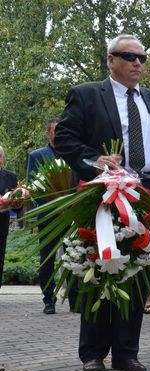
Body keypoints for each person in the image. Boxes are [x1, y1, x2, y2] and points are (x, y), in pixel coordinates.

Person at [54, 34, 150, 371]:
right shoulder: (87, 94)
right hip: (104, 195)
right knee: (99, 271)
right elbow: (63, 139)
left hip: (148, 195)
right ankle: (93, 353)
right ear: (111, 60)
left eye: (142, 57)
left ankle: (127, 353)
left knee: (138, 274)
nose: (137, 62)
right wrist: (94, 161)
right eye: (129, 56)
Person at [26, 118, 78, 314]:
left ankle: (75, 298)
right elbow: (33, 186)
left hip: (72, 215)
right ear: (48, 133)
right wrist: (55, 206)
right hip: (48, 216)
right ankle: (49, 299)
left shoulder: (73, 154)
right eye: (55, 131)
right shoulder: (37, 155)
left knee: (74, 256)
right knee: (47, 258)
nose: (59, 134)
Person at [0, 146, 19, 288]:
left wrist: (17, 202)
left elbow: (17, 205)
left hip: (2, 222)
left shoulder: (11, 177)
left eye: (0, 156)